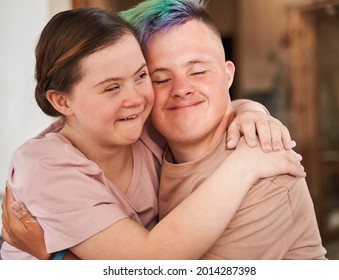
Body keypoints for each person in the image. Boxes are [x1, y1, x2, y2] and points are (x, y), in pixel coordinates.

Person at [0, 7, 305, 260]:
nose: (137, 98)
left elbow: (194, 107)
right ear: (62, 101)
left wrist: (251, 111)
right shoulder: (46, 167)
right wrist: (245, 165)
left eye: (142, 76)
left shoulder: (143, 127)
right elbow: (149, 261)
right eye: (112, 87)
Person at [122, 0, 327, 259]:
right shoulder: (150, 142)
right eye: (160, 79)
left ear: (228, 75)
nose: (181, 89)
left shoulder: (268, 174)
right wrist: (250, 108)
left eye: (197, 71)